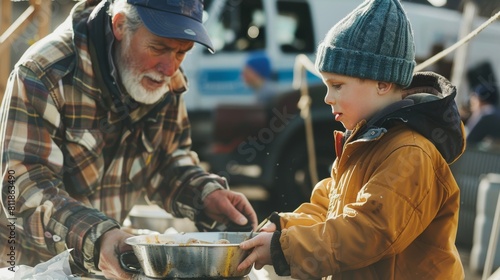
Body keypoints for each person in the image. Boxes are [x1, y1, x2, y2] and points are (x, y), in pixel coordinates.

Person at [0, 0, 257, 279]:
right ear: (120, 24)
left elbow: (167, 162)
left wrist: (205, 195)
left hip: (108, 268)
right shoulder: (44, 72)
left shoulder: (165, 80)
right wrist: (98, 236)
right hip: (28, 265)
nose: (170, 68)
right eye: (158, 48)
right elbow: (23, 186)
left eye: (182, 52)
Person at [237, 0, 466, 279]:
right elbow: (329, 208)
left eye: (337, 85)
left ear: (382, 83)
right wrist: (283, 228)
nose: (327, 97)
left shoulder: (410, 152)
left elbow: (370, 229)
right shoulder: (364, 142)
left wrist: (283, 249)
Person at [465, 83, 500, 148]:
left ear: (478, 99)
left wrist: (475, 115)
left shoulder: (486, 114)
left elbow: (467, 141)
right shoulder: (495, 112)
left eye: (473, 97)